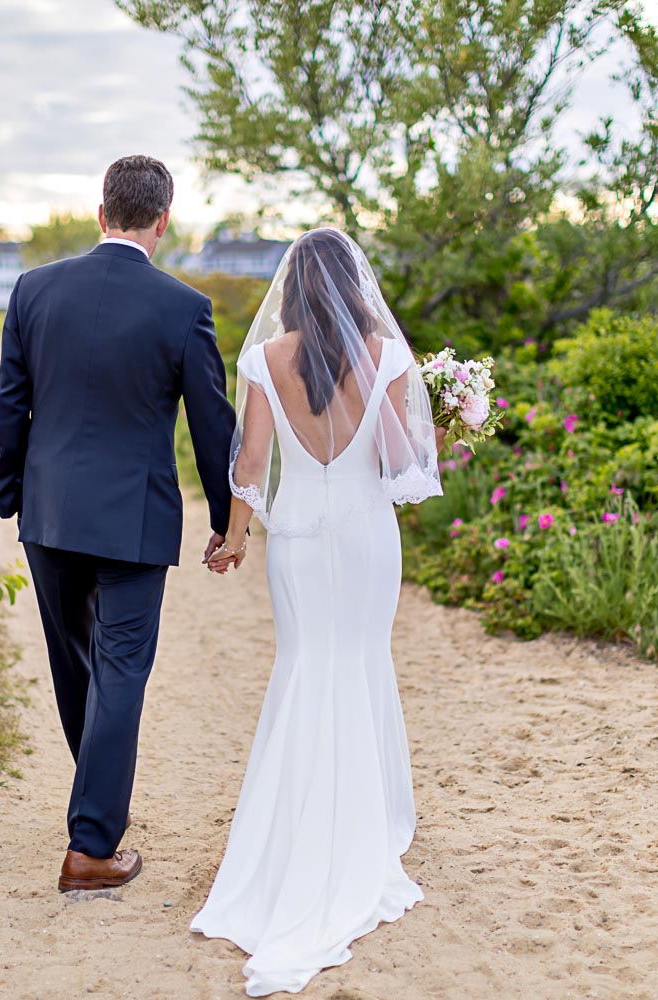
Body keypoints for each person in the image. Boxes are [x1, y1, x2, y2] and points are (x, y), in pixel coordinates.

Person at [192, 228, 443, 996]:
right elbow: (398, 469)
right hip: (367, 537)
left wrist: (233, 542)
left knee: (304, 670)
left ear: (293, 285)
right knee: (363, 663)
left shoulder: (266, 358)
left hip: (296, 542)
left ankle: (291, 832)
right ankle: (366, 830)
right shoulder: (388, 357)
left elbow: (252, 465)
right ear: (357, 284)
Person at [0, 155, 237, 893]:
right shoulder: (183, 307)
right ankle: (91, 847)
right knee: (121, 669)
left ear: (102, 213)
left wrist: (11, 491)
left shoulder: (33, 290)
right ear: (164, 220)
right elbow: (210, 422)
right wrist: (227, 519)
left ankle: (93, 813)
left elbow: (10, 401)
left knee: (77, 666)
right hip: (133, 520)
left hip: (51, 513)